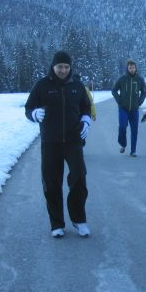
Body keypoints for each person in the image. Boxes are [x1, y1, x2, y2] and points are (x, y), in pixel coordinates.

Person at [25, 51, 92, 238]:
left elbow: (85, 106)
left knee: (79, 178)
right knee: (51, 182)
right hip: (50, 141)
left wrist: (86, 119)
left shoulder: (77, 86)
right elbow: (29, 107)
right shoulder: (42, 85)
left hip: (73, 141)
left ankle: (79, 220)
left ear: (70, 68)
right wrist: (34, 114)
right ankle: (56, 223)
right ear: (53, 66)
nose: (63, 70)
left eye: (66, 66)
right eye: (60, 66)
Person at [111, 59, 146, 157]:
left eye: (133, 67)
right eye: (130, 67)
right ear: (127, 68)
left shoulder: (139, 79)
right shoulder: (122, 79)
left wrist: (139, 102)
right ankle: (123, 143)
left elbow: (144, 92)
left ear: (136, 68)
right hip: (123, 108)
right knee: (122, 126)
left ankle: (133, 150)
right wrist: (119, 100)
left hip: (134, 109)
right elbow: (114, 90)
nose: (132, 69)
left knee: (134, 129)